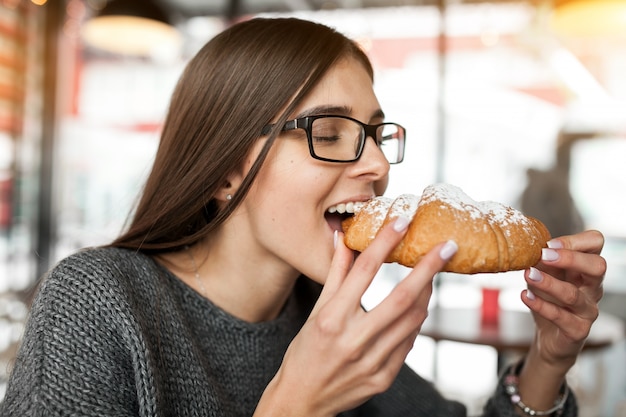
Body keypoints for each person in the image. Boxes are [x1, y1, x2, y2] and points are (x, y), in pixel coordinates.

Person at [0, 17, 606, 417]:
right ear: (225, 167)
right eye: (333, 131)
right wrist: (294, 404)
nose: (374, 164)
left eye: (374, 134)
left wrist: (548, 360)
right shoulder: (100, 302)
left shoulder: (329, 317)